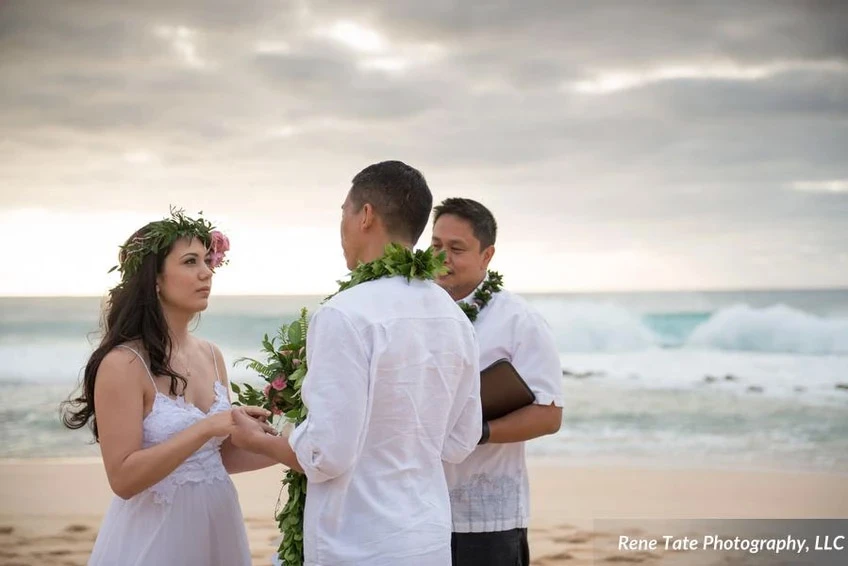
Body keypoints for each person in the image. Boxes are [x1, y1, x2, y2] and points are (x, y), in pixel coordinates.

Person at [230, 161, 482, 566]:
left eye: (344, 212)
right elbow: (460, 441)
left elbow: (327, 456)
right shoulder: (454, 317)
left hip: (357, 544)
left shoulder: (345, 314)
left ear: (365, 216)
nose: (342, 227)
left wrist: (259, 441)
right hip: (427, 539)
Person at [60, 209, 275, 566]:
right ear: (155, 279)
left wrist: (293, 442)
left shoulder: (212, 355)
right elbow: (123, 479)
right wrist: (207, 426)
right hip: (157, 536)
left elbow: (219, 458)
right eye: (190, 262)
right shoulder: (123, 364)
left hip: (218, 525)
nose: (207, 272)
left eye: (207, 260)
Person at [431, 198, 564, 566]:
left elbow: (549, 415)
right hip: (416, 510)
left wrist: (476, 432)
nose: (442, 257)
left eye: (457, 248)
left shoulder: (519, 320)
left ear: (486, 255)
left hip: (487, 517)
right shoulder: (415, 310)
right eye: (436, 245)